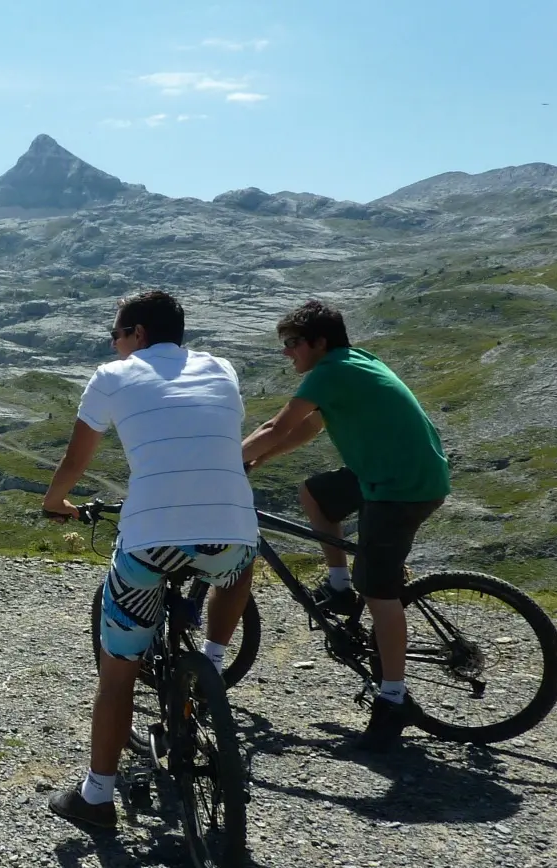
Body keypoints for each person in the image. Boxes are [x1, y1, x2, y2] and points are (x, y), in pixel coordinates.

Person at [40, 290, 258, 830]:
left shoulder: (113, 376)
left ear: (137, 334)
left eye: (116, 335)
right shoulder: (222, 368)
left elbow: (76, 458)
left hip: (149, 541)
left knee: (118, 675)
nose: (114, 345)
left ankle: (96, 797)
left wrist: (53, 501)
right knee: (238, 566)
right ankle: (209, 658)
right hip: (230, 536)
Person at [241, 299, 449, 751]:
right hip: (392, 472)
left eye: (292, 343)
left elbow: (279, 424)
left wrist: (221, 463)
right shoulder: (350, 363)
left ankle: (393, 697)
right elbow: (306, 429)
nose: (287, 353)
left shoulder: (331, 370)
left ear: (319, 342)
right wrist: (256, 459)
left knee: (380, 591)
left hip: (402, 487)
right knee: (315, 494)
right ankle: (338, 586)